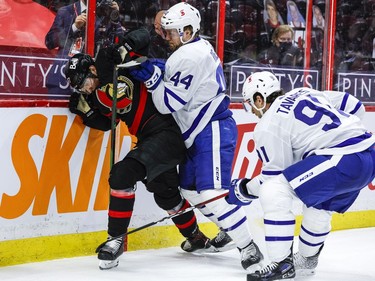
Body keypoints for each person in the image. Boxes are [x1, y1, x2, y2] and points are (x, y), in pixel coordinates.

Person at [64, 28, 228, 270]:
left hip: (167, 133)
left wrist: (124, 47)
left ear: (91, 70)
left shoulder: (115, 64)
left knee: (122, 175)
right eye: (78, 88)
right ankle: (196, 238)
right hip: (151, 139)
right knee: (167, 194)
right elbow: (107, 123)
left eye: (82, 82)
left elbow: (143, 35)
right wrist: (86, 112)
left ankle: (115, 239)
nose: (83, 89)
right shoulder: (97, 99)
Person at [128, 2, 264, 271]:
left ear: (188, 31)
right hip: (199, 131)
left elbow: (168, 103)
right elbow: (174, 72)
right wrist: (156, 67)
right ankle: (230, 226)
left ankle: (248, 246)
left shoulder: (190, 55)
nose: (166, 37)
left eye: (171, 32)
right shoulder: (192, 49)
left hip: (211, 129)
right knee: (190, 190)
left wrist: (153, 78)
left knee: (210, 193)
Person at [226, 71, 375, 280]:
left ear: (259, 99)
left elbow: (273, 179)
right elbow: (355, 106)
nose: (250, 110)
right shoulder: (303, 91)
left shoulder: (268, 124)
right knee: (319, 205)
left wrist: (243, 190)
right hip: (368, 153)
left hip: (342, 159)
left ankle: (281, 264)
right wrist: (336, 136)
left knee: (274, 190)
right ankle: (306, 260)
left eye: (250, 103)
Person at [45, 0, 123, 97]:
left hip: (92, 82)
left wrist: (115, 17)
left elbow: (120, 43)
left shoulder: (105, 13)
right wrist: (74, 27)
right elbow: (49, 42)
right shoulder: (66, 11)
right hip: (63, 78)